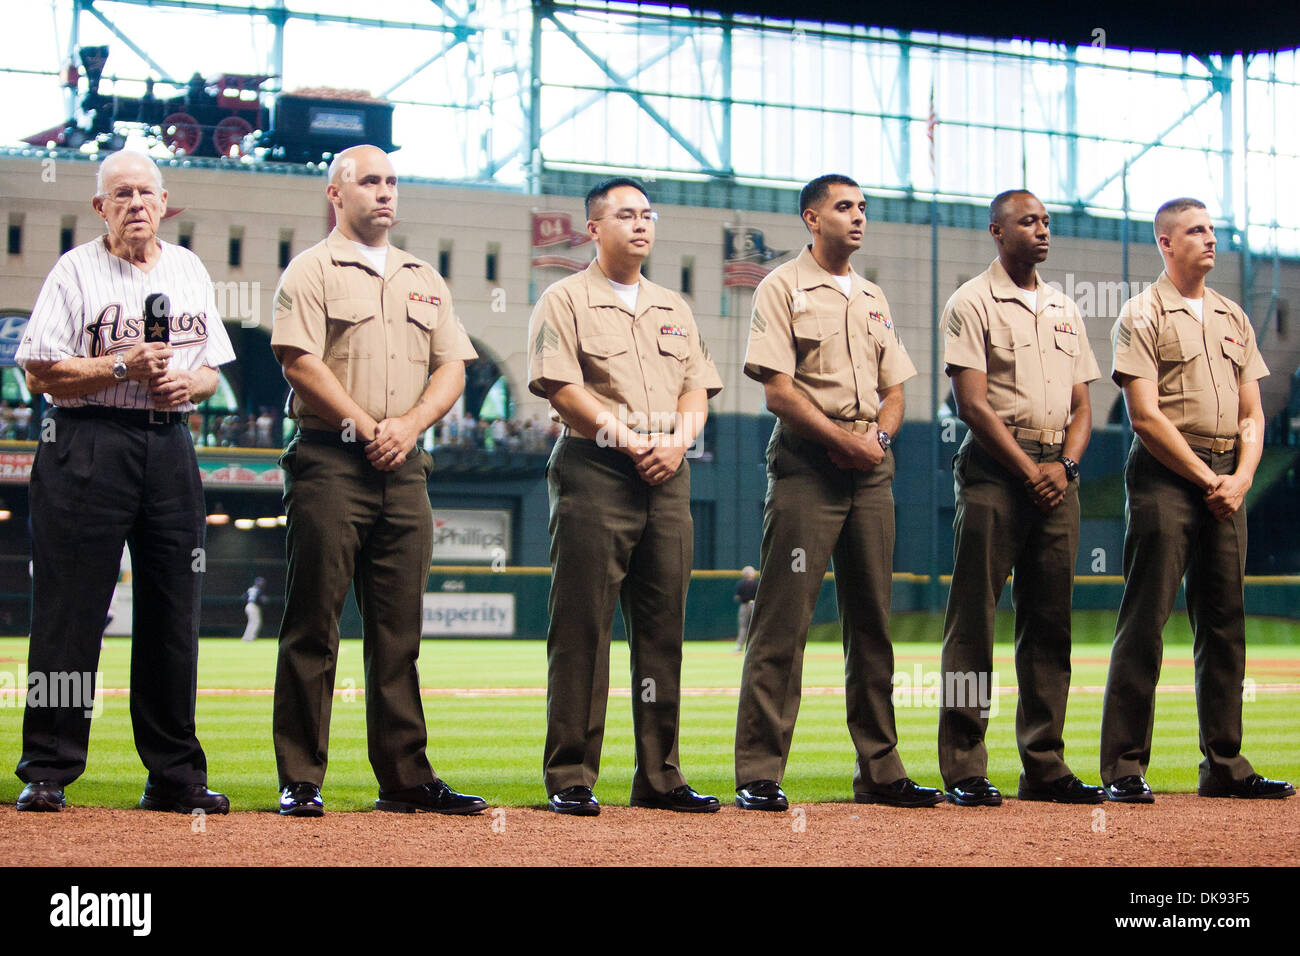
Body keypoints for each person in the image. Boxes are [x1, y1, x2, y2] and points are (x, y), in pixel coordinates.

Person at [15, 149, 234, 814]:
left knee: (173, 615)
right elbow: (39, 371)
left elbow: (210, 371)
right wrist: (121, 366)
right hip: (86, 444)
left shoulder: (189, 269)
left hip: (168, 444)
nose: (137, 203)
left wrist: (181, 382)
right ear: (100, 208)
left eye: (147, 192)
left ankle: (173, 774)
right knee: (70, 613)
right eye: (123, 194)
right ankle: (49, 767)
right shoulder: (76, 269)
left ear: (165, 203)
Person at [270, 144, 487, 817]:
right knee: (314, 625)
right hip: (331, 462)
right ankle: (301, 777)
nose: (385, 192)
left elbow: (454, 367)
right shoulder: (310, 270)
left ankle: (405, 778)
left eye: (393, 181)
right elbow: (298, 361)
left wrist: (411, 425)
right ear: (336, 194)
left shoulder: (425, 277)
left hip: (405, 468)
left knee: (399, 631)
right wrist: (369, 425)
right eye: (370, 182)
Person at [733, 174, 942, 811]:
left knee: (873, 623)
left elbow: (898, 387)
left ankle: (881, 770)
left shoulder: (874, 296)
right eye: (844, 207)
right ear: (810, 218)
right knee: (782, 621)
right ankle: (760, 773)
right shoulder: (781, 287)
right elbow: (777, 390)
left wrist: (875, 440)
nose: (858, 218)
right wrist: (843, 441)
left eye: (863, 208)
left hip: (869, 469)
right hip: (809, 467)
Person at [527, 177, 723, 816]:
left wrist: (677, 444)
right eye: (625, 215)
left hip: (668, 475)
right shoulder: (564, 299)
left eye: (647, 214)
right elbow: (561, 387)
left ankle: (660, 776)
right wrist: (627, 438)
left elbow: (696, 389)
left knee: (663, 631)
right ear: (593, 228)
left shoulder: (674, 307)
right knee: (583, 629)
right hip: (597, 470)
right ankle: (571, 776)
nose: (641, 224)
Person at [1101, 197, 1294, 803]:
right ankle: (1125, 768)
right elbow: (1144, 416)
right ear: (1166, 243)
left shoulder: (1235, 316)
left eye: (1212, 229)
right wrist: (1205, 479)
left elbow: (1253, 413)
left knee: (1225, 622)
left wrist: (1238, 478)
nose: (1210, 239)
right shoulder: (1141, 314)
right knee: (1146, 620)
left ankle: (1225, 765)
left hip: (1226, 477)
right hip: (1166, 473)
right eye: (1195, 231)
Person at [937, 189, 1104, 807]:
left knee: (1049, 622)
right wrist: (1028, 469)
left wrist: (1061, 465)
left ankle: (1044, 763)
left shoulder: (1065, 308)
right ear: (996, 232)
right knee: (973, 622)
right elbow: (971, 403)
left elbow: (1085, 406)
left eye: (1045, 221)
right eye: (1027, 221)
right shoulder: (971, 302)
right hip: (994, 473)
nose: (1041, 230)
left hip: (1058, 475)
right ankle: (964, 766)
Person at [734, 565, 758, 652]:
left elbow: (737, 597)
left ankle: (740, 646)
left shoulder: (741, 583)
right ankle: (754, 646)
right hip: (754, 605)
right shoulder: (756, 583)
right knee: (755, 626)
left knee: (743, 626)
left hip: (744, 605)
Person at [241, 576, 267, 642]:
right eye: (260, 582)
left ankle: (248, 637)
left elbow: (243, 597)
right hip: (254, 606)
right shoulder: (258, 590)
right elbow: (261, 599)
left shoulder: (250, 589)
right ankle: (249, 637)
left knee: (252, 622)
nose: (261, 584)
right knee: (255, 622)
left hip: (248, 606)